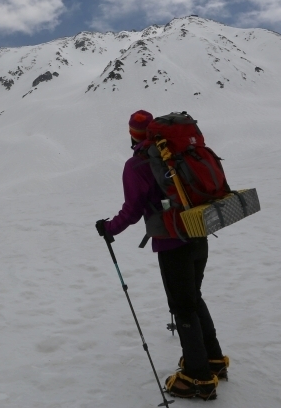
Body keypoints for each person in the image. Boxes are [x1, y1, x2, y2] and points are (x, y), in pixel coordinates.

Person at [96, 110, 229, 401]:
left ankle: (199, 377)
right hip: (199, 229)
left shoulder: (137, 165)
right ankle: (213, 360)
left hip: (172, 242)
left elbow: (131, 211)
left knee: (183, 306)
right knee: (193, 296)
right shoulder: (174, 155)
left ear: (133, 135)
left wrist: (108, 229)